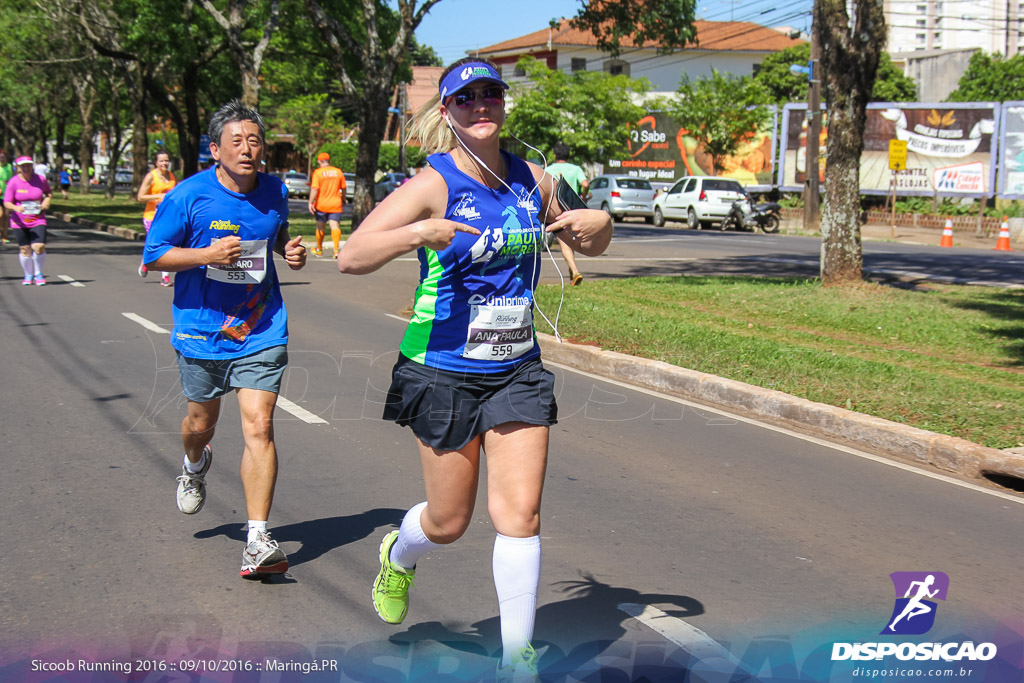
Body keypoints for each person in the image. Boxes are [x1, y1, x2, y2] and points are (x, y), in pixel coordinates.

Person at [337, 58, 612, 681]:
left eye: (491, 94)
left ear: (504, 104)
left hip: (517, 367)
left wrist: (601, 225)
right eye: (466, 99)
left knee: (519, 515)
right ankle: (399, 553)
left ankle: (518, 658)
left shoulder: (534, 180)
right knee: (450, 521)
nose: (480, 106)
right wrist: (419, 232)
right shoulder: (430, 185)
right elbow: (350, 257)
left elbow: (587, 239)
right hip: (441, 368)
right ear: (448, 111)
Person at [142, 100, 308, 579]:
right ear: (216, 150)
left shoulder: (275, 191)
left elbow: (275, 237)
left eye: (254, 140)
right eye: (236, 141)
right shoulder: (187, 196)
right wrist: (206, 253)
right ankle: (194, 463)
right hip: (202, 331)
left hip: (261, 326)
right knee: (200, 422)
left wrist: (289, 251)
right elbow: (153, 256)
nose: (247, 149)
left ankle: (257, 539)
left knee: (259, 426)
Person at [545, 142, 590, 286]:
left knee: (564, 241)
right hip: (573, 208)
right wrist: (583, 196)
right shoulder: (575, 169)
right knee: (570, 238)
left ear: (555, 155)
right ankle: (572, 272)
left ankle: (575, 271)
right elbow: (585, 184)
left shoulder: (549, 169)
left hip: (556, 210)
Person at [3, 156, 52, 285]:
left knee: (39, 246)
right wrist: (15, 208)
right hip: (19, 221)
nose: (26, 168)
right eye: (23, 166)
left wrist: (47, 201)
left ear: (32, 166)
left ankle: (38, 273)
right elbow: (7, 202)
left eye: (29, 165)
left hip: (37, 218)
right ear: (18, 168)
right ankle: (28, 274)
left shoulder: (40, 180)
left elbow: (48, 192)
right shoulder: (13, 182)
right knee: (25, 249)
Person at [137, 151, 178, 285]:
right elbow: (140, 197)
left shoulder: (172, 177)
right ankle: (149, 263)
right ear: (156, 163)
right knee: (157, 243)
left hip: (167, 216)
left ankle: (161, 274)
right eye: (161, 161)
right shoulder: (151, 176)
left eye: (166, 160)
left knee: (165, 243)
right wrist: (158, 197)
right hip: (151, 216)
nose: (164, 163)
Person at [308, 151, 346, 257]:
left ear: (320, 162)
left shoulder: (318, 173)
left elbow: (315, 188)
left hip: (322, 204)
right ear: (329, 161)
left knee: (320, 227)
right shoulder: (338, 172)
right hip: (335, 203)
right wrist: (343, 198)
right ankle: (336, 250)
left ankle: (319, 249)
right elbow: (343, 188)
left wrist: (311, 202)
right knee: (335, 226)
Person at [0, 150, 14, 245]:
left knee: (6, 216)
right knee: (0, 215)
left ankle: (5, 236)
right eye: (0, 157)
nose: (2, 158)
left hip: (7, 195)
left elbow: (13, 179)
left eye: (3, 157)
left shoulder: (9, 167)